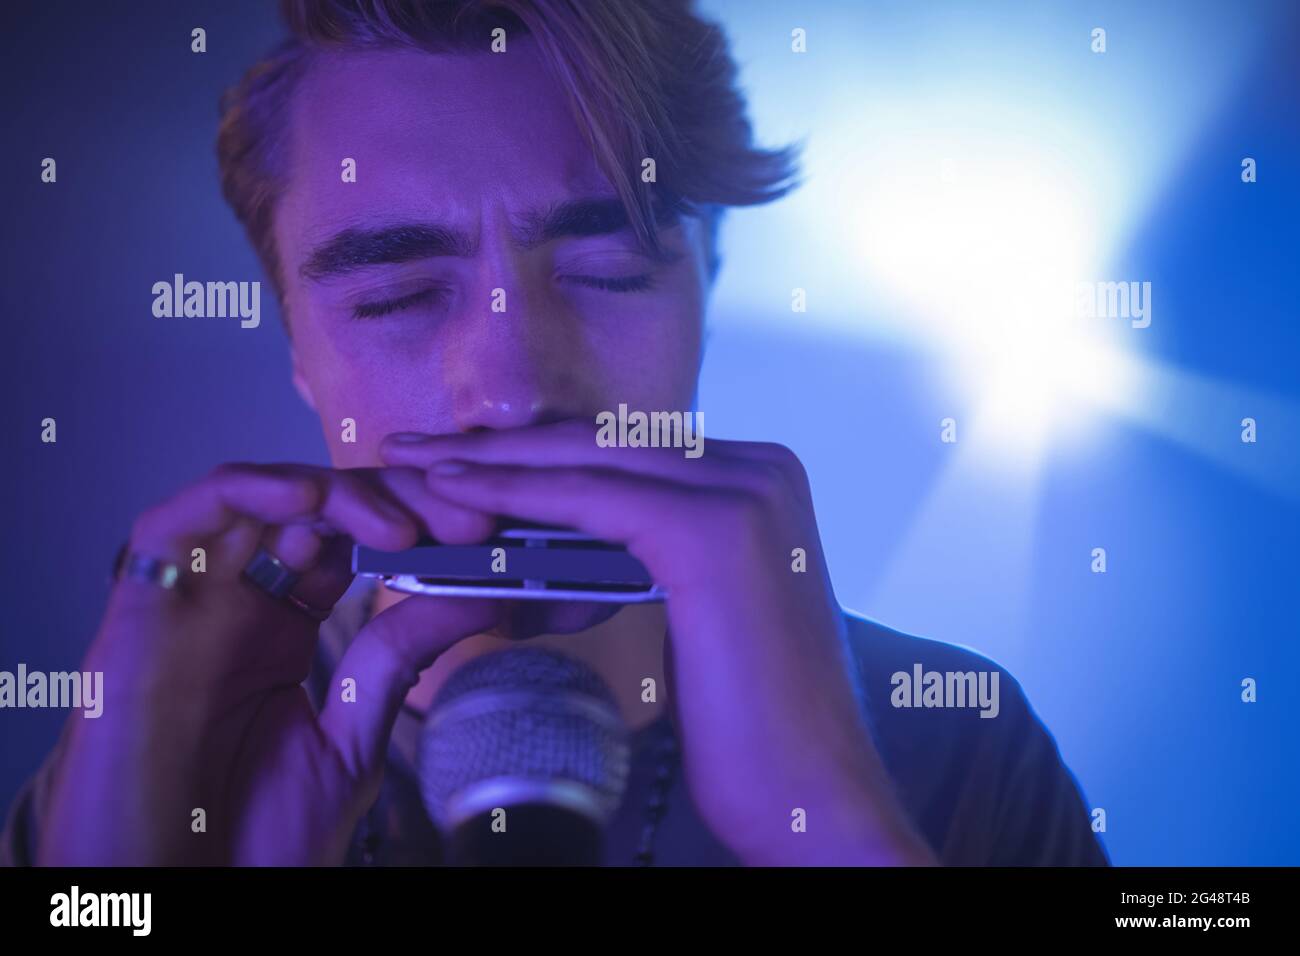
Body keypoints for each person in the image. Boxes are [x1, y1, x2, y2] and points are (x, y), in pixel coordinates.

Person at [1, 0, 1107, 867]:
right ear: (296, 344)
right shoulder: (168, 762)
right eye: (394, 294)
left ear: (707, 278)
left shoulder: (962, 746)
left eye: (607, 267)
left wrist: (842, 839)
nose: (513, 385)